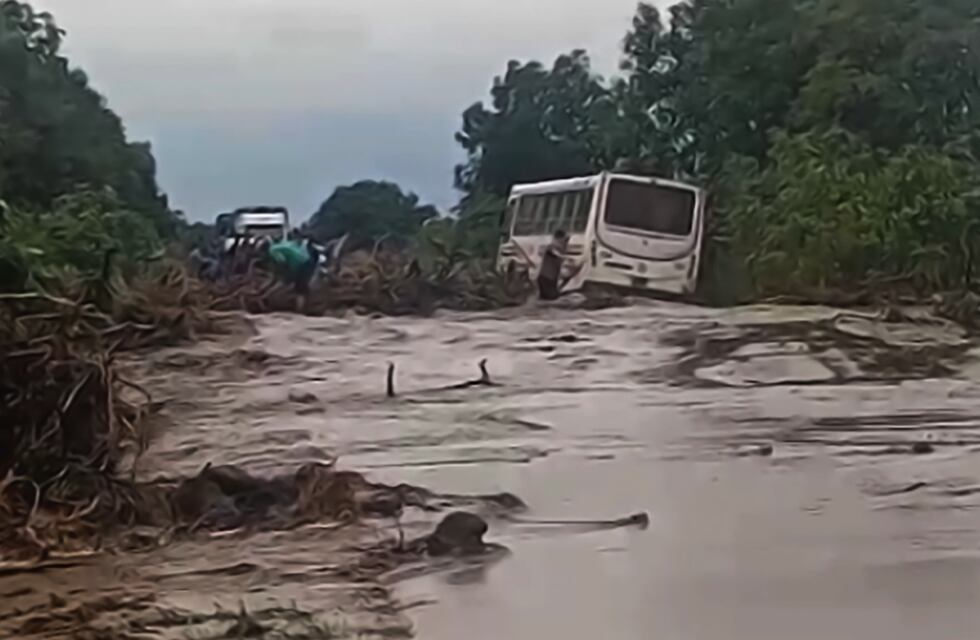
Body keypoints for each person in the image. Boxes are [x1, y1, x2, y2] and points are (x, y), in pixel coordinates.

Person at [536, 229, 581, 301]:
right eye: (565, 240)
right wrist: (567, 258)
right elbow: (555, 253)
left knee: (548, 299)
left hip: (551, 279)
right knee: (551, 299)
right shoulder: (551, 247)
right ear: (558, 239)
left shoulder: (560, 250)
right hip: (546, 279)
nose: (566, 243)